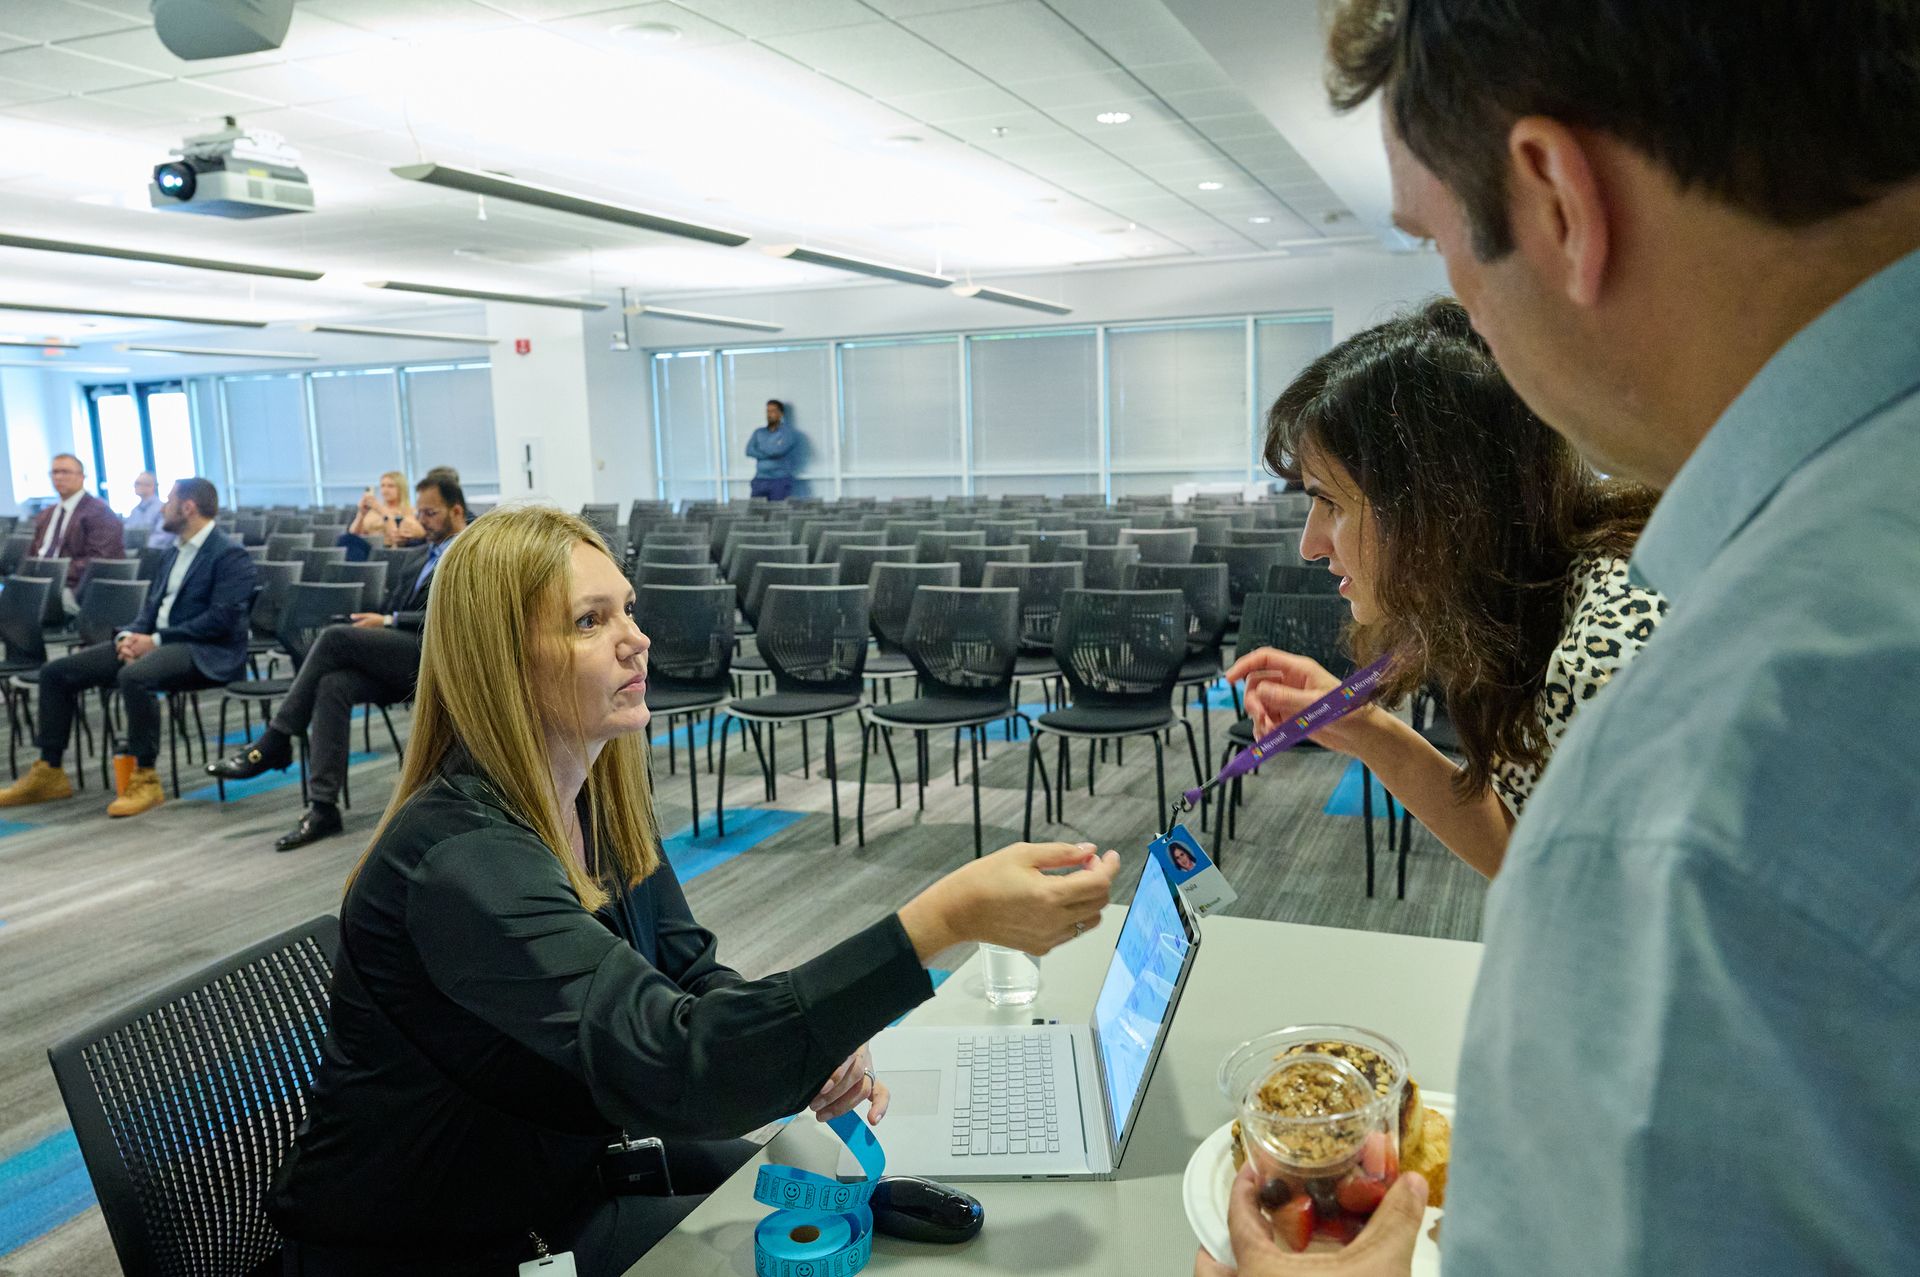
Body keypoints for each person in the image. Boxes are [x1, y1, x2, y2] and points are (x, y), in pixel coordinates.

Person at [1204, 2, 1920, 1274]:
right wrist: (1376, 731)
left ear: (1553, 199)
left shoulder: (1692, 748)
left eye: (1438, 245)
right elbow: (1521, 831)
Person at [267, 504, 1121, 1276]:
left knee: (837, 1207)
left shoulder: (594, 800)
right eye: (589, 621)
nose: (635, 637)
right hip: (441, 1247)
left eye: (627, 609)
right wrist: (944, 921)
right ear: (502, 664)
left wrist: (808, 1039)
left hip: (561, 1181)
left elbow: (689, 973)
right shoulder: (460, 861)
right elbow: (682, 1067)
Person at [1225, 300, 1666, 877]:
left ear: (1435, 510)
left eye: (1329, 502)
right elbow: (1533, 851)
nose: (1310, 545)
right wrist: (1362, 729)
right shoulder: (1529, 605)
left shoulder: (1603, 668)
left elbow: (1606, 921)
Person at [207, 474, 469, 851]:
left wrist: (390, 622)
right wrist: (375, 619)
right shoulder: (419, 558)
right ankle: (323, 807)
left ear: (456, 511)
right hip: (402, 655)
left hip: (437, 657)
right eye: (421, 511)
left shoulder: (468, 554)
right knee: (334, 685)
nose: (422, 519)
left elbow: (454, 618)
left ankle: (276, 739)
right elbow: (389, 606)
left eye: (430, 513)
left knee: (333, 639)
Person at [0, 478, 253, 818]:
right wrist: (129, 637)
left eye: (169, 501)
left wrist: (156, 641)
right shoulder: (174, 551)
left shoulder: (229, 554)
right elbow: (151, 609)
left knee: (135, 676)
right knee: (56, 672)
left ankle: (145, 777)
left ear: (188, 507)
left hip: (205, 651)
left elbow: (220, 620)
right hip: (158, 643)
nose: (164, 508)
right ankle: (50, 770)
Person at [30, 453, 124, 610]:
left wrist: (51, 574)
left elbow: (99, 561)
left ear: (82, 477)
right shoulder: (47, 514)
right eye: (54, 472)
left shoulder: (99, 512)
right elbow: (34, 553)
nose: (58, 477)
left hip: (78, 586)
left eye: (65, 472)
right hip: (43, 582)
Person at [347, 469, 423, 546]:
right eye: (382, 486)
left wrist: (381, 511)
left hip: (386, 549)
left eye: (391, 486)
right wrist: (361, 514)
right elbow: (353, 534)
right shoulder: (373, 511)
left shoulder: (408, 511)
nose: (385, 490)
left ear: (401, 489)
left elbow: (397, 537)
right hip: (367, 547)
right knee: (346, 539)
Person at [744, 399, 797, 500]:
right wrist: (769, 452)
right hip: (760, 480)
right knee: (756, 512)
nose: (769, 414)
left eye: (773, 411)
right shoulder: (759, 432)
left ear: (781, 414)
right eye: (768, 411)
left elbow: (777, 452)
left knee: (778, 513)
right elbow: (749, 450)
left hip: (779, 480)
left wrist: (760, 450)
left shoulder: (787, 433)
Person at [121, 471, 175, 550]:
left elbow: (163, 536)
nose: (135, 486)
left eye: (138, 483)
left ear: (151, 486)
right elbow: (128, 534)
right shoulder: (135, 510)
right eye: (135, 483)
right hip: (136, 552)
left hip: (156, 553)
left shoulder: (162, 508)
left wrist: (142, 545)